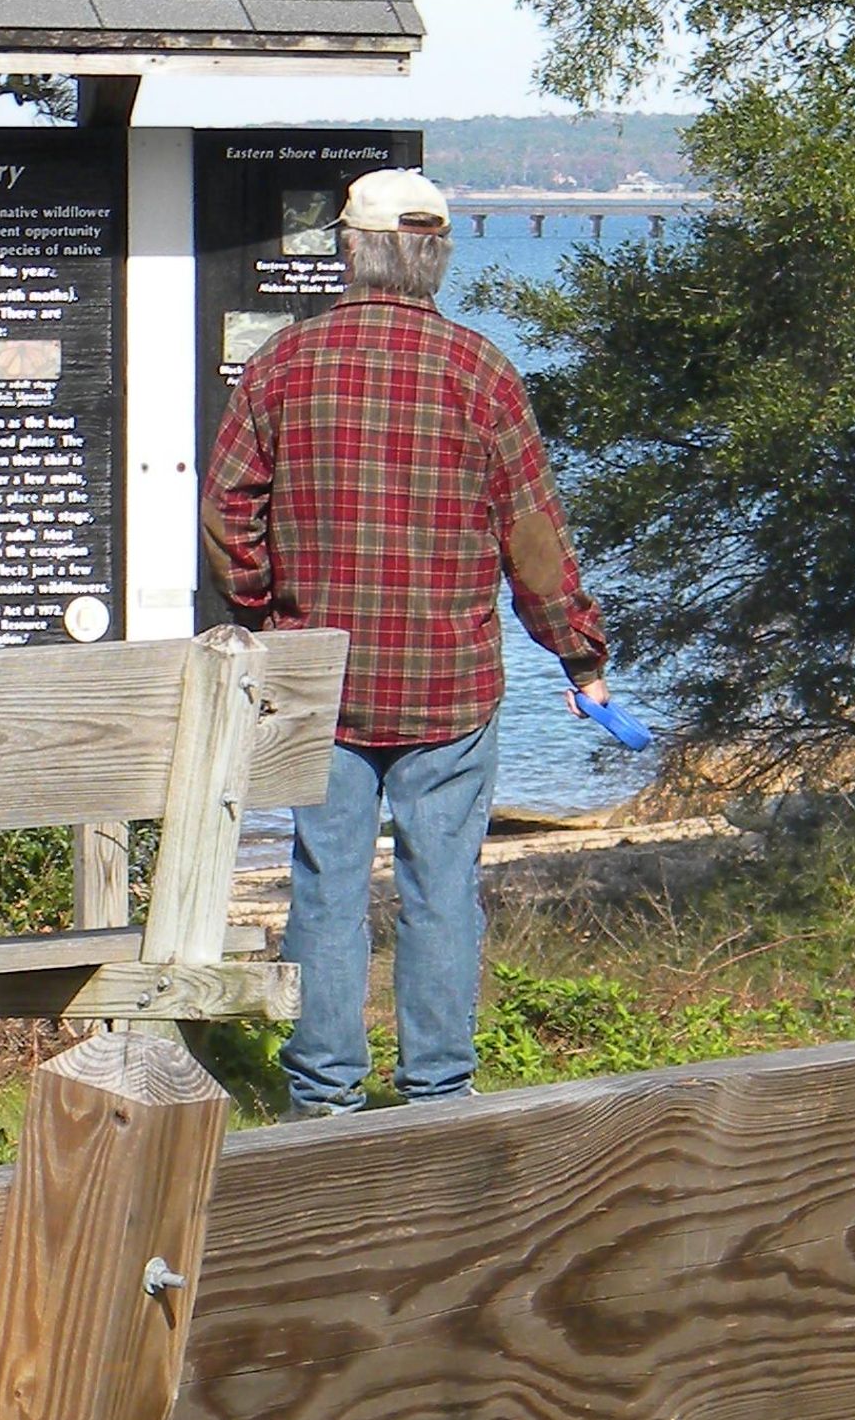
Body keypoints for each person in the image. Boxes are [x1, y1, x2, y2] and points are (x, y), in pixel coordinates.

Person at [202, 170, 613, 1115]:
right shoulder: (483, 374)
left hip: (323, 678)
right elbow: (534, 539)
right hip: (448, 684)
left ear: (349, 250)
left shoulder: (283, 363)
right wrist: (578, 654)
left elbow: (228, 510)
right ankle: (438, 1094)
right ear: (436, 256)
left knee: (325, 884)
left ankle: (325, 1100)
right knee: (442, 892)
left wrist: (267, 614)